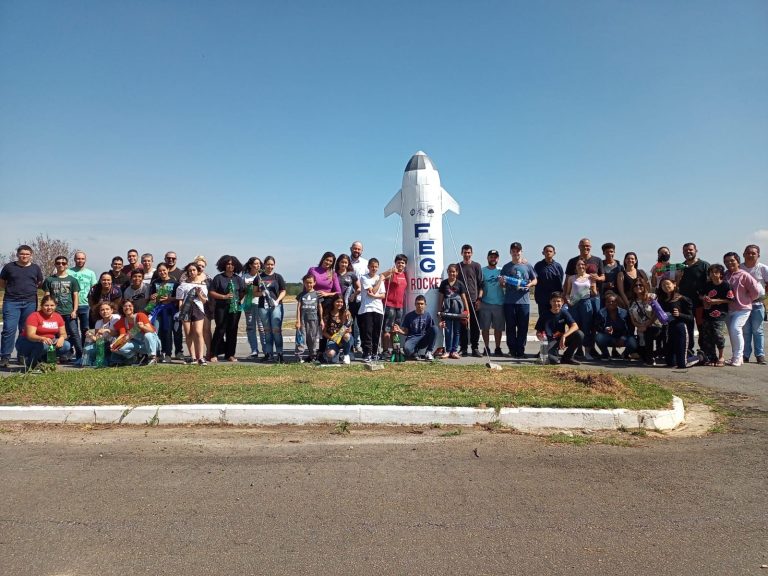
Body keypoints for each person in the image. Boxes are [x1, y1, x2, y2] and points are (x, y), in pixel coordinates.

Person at [0, 245, 44, 368]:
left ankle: (22, 354)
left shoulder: (35, 268)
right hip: (11, 302)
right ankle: (5, 356)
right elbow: (2, 283)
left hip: (30, 302)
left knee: (25, 331)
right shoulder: (9, 267)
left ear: (31, 255)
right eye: (22, 254)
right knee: (9, 329)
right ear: (18, 254)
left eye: (27, 254)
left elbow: (39, 283)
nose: (24, 256)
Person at [723, 252, 764, 367]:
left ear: (737, 261)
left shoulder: (744, 275)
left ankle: (738, 357)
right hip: (728, 309)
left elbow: (756, 292)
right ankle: (736, 357)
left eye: (732, 260)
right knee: (732, 333)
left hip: (742, 309)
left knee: (736, 329)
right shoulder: (725, 275)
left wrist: (747, 299)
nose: (729, 263)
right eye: (726, 261)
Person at [499, 242, 538, 359]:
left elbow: (535, 279)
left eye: (518, 250)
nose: (516, 253)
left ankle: (520, 350)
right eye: (513, 250)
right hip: (509, 302)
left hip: (524, 302)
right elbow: (503, 284)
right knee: (510, 327)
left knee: (523, 327)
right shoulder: (506, 267)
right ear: (510, 252)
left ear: (521, 251)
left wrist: (530, 284)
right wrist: (502, 282)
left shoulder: (527, 265)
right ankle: (512, 350)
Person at [42, 255, 82, 363]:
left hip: (69, 312)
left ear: (67, 265)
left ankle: (80, 356)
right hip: (54, 313)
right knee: (54, 334)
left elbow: (75, 296)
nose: (61, 265)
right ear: (55, 264)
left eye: (63, 263)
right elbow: (47, 297)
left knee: (74, 333)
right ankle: (54, 356)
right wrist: (46, 312)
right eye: (58, 263)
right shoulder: (49, 280)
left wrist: (74, 310)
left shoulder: (72, 280)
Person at [208, 255, 245, 363]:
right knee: (220, 330)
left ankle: (230, 354)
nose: (230, 266)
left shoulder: (238, 279)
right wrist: (224, 297)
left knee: (232, 331)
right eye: (228, 264)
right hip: (221, 308)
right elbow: (211, 292)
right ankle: (214, 353)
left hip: (235, 308)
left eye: (232, 264)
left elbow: (242, 292)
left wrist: (236, 300)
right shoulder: (218, 278)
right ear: (224, 265)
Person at [676, 243, 709, 355]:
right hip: (685, 305)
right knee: (687, 329)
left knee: (702, 328)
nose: (688, 252)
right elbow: (674, 284)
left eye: (690, 250)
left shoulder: (704, 265)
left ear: (696, 250)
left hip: (700, 304)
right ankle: (688, 350)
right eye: (685, 250)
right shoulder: (680, 266)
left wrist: (706, 297)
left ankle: (704, 351)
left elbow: (710, 283)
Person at [534, 291, 583, 365]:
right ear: (550, 302)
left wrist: (564, 336)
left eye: (558, 301)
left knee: (579, 334)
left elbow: (575, 326)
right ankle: (544, 353)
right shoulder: (544, 314)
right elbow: (538, 332)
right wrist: (541, 338)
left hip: (561, 339)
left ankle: (567, 357)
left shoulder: (564, 312)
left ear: (562, 302)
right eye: (554, 301)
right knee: (555, 361)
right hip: (550, 341)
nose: (556, 303)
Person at [699, 264, 733, 367]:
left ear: (721, 273)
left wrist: (716, 301)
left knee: (718, 335)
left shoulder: (725, 285)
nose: (713, 274)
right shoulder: (707, 285)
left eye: (716, 272)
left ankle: (721, 356)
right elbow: (700, 295)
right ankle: (712, 357)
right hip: (706, 313)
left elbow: (730, 300)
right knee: (707, 337)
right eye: (711, 272)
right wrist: (704, 299)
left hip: (719, 315)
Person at [658, 278, 697, 368]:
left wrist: (680, 314)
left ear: (674, 284)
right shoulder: (662, 300)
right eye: (663, 285)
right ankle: (681, 357)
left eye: (668, 284)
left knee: (682, 364)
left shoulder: (682, 299)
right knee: (670, 363)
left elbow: (691, 318)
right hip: (668, 329)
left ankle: (701, 357)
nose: (666, 286)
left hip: (680, 328)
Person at [564, 259, 598, 360]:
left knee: (587, 327)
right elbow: (567, 292)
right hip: (574, 304)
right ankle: (577, 351)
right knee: (575, 328)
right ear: (576, 267)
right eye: (579, 265)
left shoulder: (590, 277)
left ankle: (587, 351)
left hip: (586, 303)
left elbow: (595, 293)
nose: (581, 266)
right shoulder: (571, 278)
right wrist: (568, 301)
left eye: (583, 264)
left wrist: (592, 288)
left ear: (586, 266)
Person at [176, 262, 209, 365]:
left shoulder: (202, 284)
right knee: (188, 333)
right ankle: (193, 357)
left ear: (198, 271)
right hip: (186, 309)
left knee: (198, 332)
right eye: (189, 270)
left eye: (194, 270)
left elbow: (204, 301)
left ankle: (201, 357)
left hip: (198, 309)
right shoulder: (183, 285)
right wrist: (181, 310)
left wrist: (199, 294)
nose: (192, 272)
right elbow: (180, 300)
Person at [255, 256, 287, 363]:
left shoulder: (278, 277)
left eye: (272, 264)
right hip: (263, 307)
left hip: (276, 306)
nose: (270, 266)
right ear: (264, 265)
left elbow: (283, 291)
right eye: (268, 264)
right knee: (267, 331)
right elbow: (254, 293)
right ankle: (268, 354)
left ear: (274, 265)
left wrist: (277, 300)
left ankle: (279, 354)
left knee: (276, 331)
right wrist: (262, 293)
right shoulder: (258, 278)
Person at [109, 300, 160, 366]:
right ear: (122, 308)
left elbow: (152, 331)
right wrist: (114, 344)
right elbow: (123, 335)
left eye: (130, 306)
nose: (127, 308)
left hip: (153, 343)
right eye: (125, 306)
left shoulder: (140, 315)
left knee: (148, 335)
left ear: (133, 308)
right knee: (118, 347)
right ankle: (134, 357)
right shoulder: (122, 320)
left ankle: (152, 358)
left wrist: (143, 327)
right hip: (138, 345)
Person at [740, 245, 768, 364]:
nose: (750, 255)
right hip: (743, 305)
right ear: (744, 254)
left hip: (758, 304)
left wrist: (765, 300)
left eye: (753, 253)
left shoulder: (763, 268)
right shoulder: (739, 268)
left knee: (758, 330)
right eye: (748, 253)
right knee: (745, 331)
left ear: (758, 255)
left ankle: (760, 355)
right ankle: (745, 355)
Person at [147, 263, 179, 363]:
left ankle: (168, 354)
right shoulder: (155, 282)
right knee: (156, 331)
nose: (162, 272)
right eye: (160, 271)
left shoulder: (175, 283)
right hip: (157, 310)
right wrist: (152, 297)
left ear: (168, 270)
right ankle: (158, 353)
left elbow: (179, 297)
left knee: (167, 331)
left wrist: (170, 299)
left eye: (164, 270)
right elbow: (151, 297)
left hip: (169, 310)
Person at [437, 263, 470, 359]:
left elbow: (464, 298)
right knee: (448, 331)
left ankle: (454, 351)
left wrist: (467, 312)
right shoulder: (444, 283)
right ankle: (447, 350)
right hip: (447, 310)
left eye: (454, 272)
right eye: (450, 271)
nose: (452, 273)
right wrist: (439, 311)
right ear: (447, 272)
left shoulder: (460, 284)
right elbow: (441, 298)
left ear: (457, 272)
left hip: (457, 311)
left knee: (457, 331)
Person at [456, 244, 484, 357]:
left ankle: (475, 348)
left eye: (469, 252)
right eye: (465, 252)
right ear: (461, 253)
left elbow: (481, 284)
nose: (467, 254)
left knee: (475, 326)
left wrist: (479, 299)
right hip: (462, 302)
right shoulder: (458, 266)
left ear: (471, 253)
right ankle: (463, 348)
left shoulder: (476, 266)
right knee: (463, 325)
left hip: (474, 301)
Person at [628, 277, 663, 366]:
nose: (638, 287)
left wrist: (647, 325)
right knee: (642, 354)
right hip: (640, 329)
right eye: (636, 285)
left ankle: (651, 357)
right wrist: (639, 326)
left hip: (655, 326)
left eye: (640, 285)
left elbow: (656, 313)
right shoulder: (632, 302)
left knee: (649, 332)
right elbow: (633, 319)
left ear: (645, 286)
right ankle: (648, 356)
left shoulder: (652, 297)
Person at [68, 251, 98, 350]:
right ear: (74, 259)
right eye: (78, 258)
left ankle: (84, 351)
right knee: (72, 330)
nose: (80, 261)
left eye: (82, 259)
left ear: (85, 260)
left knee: (86, 330)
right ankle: (73, 351)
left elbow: (94, 290)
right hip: (71, 306)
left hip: (85, 305)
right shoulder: (68, 272)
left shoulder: (91, 273)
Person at [392, 295, 438, 360]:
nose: (420, 306)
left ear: (425, 305)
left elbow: (431, 331)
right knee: (406, 349)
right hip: (412, 338)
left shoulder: (428, 315)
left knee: (435, 328)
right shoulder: (409, 316)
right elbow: (406, 332)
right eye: (418, 304)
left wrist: (439, 325)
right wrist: (399, 330)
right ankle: (414, 353)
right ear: (415, 304)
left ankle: (429, 352)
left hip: (423, 339)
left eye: (422, 304)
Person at [594, 292, 637, 360]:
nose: (611, 303)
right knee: (598, 337)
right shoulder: (601, 313)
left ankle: (624, 355)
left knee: (632, 342)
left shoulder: (624, 313)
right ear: (605, 303)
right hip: (609, 337)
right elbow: (597, 326)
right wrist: (604, 329)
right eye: (608, 302)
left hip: (622, 337)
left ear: (617, 303)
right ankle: (606, 355)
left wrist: (623, 337)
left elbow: (631, 328)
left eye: (613, 301)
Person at [380, 254, 408, 358]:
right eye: (398, 262)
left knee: (395, 329)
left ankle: (395, 350)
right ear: (395, 263)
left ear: (405, 264)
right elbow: (381, 276)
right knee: (387, 329)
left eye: (403, 262)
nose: (400, 264)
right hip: (389, 305)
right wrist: (390, 271)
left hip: (399, 306)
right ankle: (385, 350)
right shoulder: (392, 273)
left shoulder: (405, 275)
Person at [358, 258, 386, 361]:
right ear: (368, 267)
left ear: (378, 267)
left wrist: (374, 296)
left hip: (378, 309)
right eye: (372, 266)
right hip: (367, 309)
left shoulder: (380, 278)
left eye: (376, 267)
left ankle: (375, 352)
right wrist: (379, 280)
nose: (374, 268)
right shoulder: (364, 278)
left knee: (376, 332)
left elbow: (383, 295)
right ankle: (367, 353)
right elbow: (372, 291)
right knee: (367, 332)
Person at [480, 249, 505, 357]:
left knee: (498, 328)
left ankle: (498, 348)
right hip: (485, 303)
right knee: (485, 328)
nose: (493, 258)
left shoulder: (502, 270)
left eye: (495, 257)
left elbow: (506, 284)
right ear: (487, 258)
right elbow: (479, 285)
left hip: (499, 303)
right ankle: (486, 348)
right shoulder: (482, 270)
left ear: (498, 259)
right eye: (491, 256)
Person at [82, 301, 120, 367]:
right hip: (104, 344)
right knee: (87, 349)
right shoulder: (98, 322)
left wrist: (107, 330)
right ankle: (87, 363)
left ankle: (111, 360)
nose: (105, 311)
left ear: (112, 310)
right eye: (102, 310)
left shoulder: (116, 318)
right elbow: (98, 339)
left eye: (107, 309)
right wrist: (91, 336)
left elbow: (117, 333)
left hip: (115, 342)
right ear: (99, 312)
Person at [241, 257, 265, 359]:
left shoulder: (263, 276)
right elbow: (241, 291)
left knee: (262, 327)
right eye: (255, 263)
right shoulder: (244, 277)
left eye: (259, 263)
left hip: (260, 304)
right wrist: (247, 287)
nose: (258, 265)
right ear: (250, 265)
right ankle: (254, 350)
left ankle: (266, 349)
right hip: (249, 304)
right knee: (250, 328)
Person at [296, 274, 322, 363]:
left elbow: (320, 307)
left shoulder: (317, 294)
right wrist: (298, 321)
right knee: (301, 338)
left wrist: (321, 319)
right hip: (303, 320)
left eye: (311, 282)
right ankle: (300, 356)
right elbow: (298, 308)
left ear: (314, 283)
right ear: (304, 283)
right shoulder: (301, 295)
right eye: (307, 283)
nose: (309, 284)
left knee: (312, 338)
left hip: (314, 320)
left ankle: (313, 356)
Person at [533, 245, 564, 318]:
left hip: (555, 297)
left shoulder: (558, 266)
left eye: (550, 251)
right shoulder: (538, 265)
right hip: (542, 297)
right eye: (546, 251)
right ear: (543, 253)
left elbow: (561, 281)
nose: (548, 253)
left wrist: (560, 296)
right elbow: (534, 279)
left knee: (555, 317)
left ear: (554, 253)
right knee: (543, 318)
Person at [348, 241, 368, 353]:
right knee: (348, 323)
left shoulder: (365, 263)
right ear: (351, 248)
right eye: (355, 248)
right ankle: (349, 346)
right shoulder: (345, 261)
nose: (356, 251)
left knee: (360, 324)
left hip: (361, 298)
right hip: (347, 299)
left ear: (362, 251)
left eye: (359, 249)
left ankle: (359, 345)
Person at [322, 294, 353, 364]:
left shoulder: (346, 313)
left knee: (347, 336)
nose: (340, 304)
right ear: (333, 302)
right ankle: (336, 353)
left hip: (345, 338)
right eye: (337, 302)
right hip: (333, 339)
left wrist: (341, 334)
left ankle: (346, 354)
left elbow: (350, 330)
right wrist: (333, 338)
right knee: (331, 355)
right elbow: (324, 332)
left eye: (341, 302)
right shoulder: (327, 314)